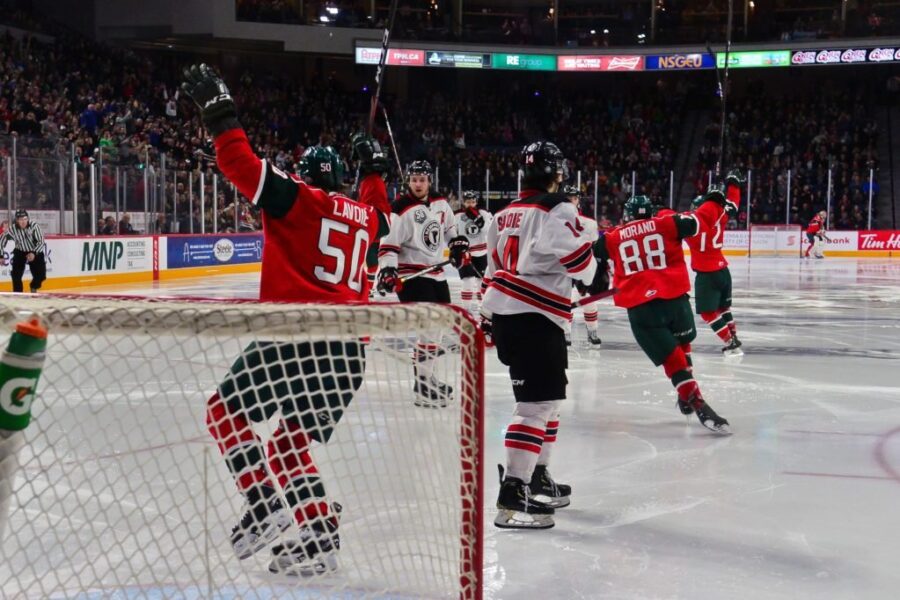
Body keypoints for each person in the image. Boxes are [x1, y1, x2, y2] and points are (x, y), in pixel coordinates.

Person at [181, 63, 389, 577]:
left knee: (224, 414)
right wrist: (373, 171)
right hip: (348, 350)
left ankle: (264, 504)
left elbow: (238, 163)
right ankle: (319, 538)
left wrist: (219, 111)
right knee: (289, 445)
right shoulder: (367, 218)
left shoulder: (298, 197)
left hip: (294, 333)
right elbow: (379, 212)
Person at [481, 142, 607, 530]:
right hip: (533, 316)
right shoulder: (557, 208)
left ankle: (536, 476)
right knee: (535, 406)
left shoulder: (502, 215)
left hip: (514, 316)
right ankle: (512, 494)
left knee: (548, 402)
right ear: (557, 173)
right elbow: (578, 262)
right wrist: (596, 268)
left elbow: (491, 268)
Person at [594, 195, 731, 435]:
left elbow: (592, 254)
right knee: (682, 344)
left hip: (641, 306)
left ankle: (697, 402)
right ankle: (686, 395)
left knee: (672, 360)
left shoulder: (613, 237)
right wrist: (713, 202)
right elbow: (699, 223)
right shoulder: (666, 222)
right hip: (674, 298)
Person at [376, 160, 469, 408]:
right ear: (409, 181)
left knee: (437, 329)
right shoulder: (400, 209)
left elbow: (450, 229)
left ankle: (425, 380)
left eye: (422, 180)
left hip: (436, 273)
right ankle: (423, 386)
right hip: (413, 276)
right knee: (429, 327)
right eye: (414, 180)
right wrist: (388, 270)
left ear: (429, 181)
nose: (418, 184)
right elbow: (388, 245)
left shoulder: (440, 203)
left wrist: (458, 244)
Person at [686, 170, 744, 357]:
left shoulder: (692, 222)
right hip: (722, 270)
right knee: (723, 308)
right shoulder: (722, 214)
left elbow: (671, 225)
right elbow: (733, 205)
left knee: (708, 313)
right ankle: (733, 336)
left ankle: (730, 341)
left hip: (706, 273)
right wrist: (733, 185)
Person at [563, 185, 602, 346]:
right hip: (564, 267)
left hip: (583, 265)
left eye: (574, 198)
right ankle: (565, 332)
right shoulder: (556, 219)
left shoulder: (586, 221)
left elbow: (593, 241)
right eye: (569, 198)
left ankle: (592, 331)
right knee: (565, 300)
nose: (572, 201)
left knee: (589, 300)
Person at [454, 190, 492, 313]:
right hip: (466, 254)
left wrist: (478, 219)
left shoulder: (484, 214)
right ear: (463, 202)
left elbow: (489, 231)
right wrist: (457, 250)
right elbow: (452, 235)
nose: (471, 204)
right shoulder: (457, 216)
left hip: (481, 254)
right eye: (468, 202)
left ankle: (484, 309)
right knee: (468, 281)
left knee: (482, 282)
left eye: (473, 201)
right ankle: (467, 310)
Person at [0, 210, 47, 293]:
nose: (23, 222)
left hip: (35, 250)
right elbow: (1, 240)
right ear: (17, 220)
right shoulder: (12, 229)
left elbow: (41, 242)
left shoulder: (34, 226)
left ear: (28, 219)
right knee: (16, 275)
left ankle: (33, 286)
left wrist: (33, 253)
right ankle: (18, 294)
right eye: (21, 219)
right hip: (20, 251)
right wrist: (1, 256)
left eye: (25, 219)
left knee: (41, 275)